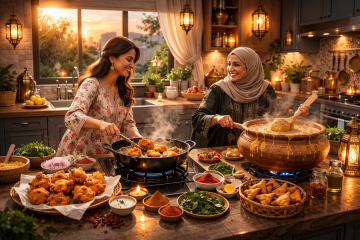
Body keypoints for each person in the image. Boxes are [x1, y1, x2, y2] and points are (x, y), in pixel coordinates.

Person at [191, 47, 310, 148]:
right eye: (229, 64)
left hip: (257, 153)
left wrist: (297, 114)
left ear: (251, 67)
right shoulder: (218, 89)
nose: (230, 69)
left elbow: (276, 119)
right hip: (224, 154)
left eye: (236, 65)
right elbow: (197, 118)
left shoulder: (266, 88)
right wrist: (216, 118)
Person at [57, 36, 142, 156]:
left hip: (105, 156)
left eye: (133, 61)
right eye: (129, 59)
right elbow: (72, 117)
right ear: (112, 58)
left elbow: (128, 125)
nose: (132, 65)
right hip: (79, 155)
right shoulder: (92, 84)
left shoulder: (123, 90)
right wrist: (100, 124)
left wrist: (142, 142)